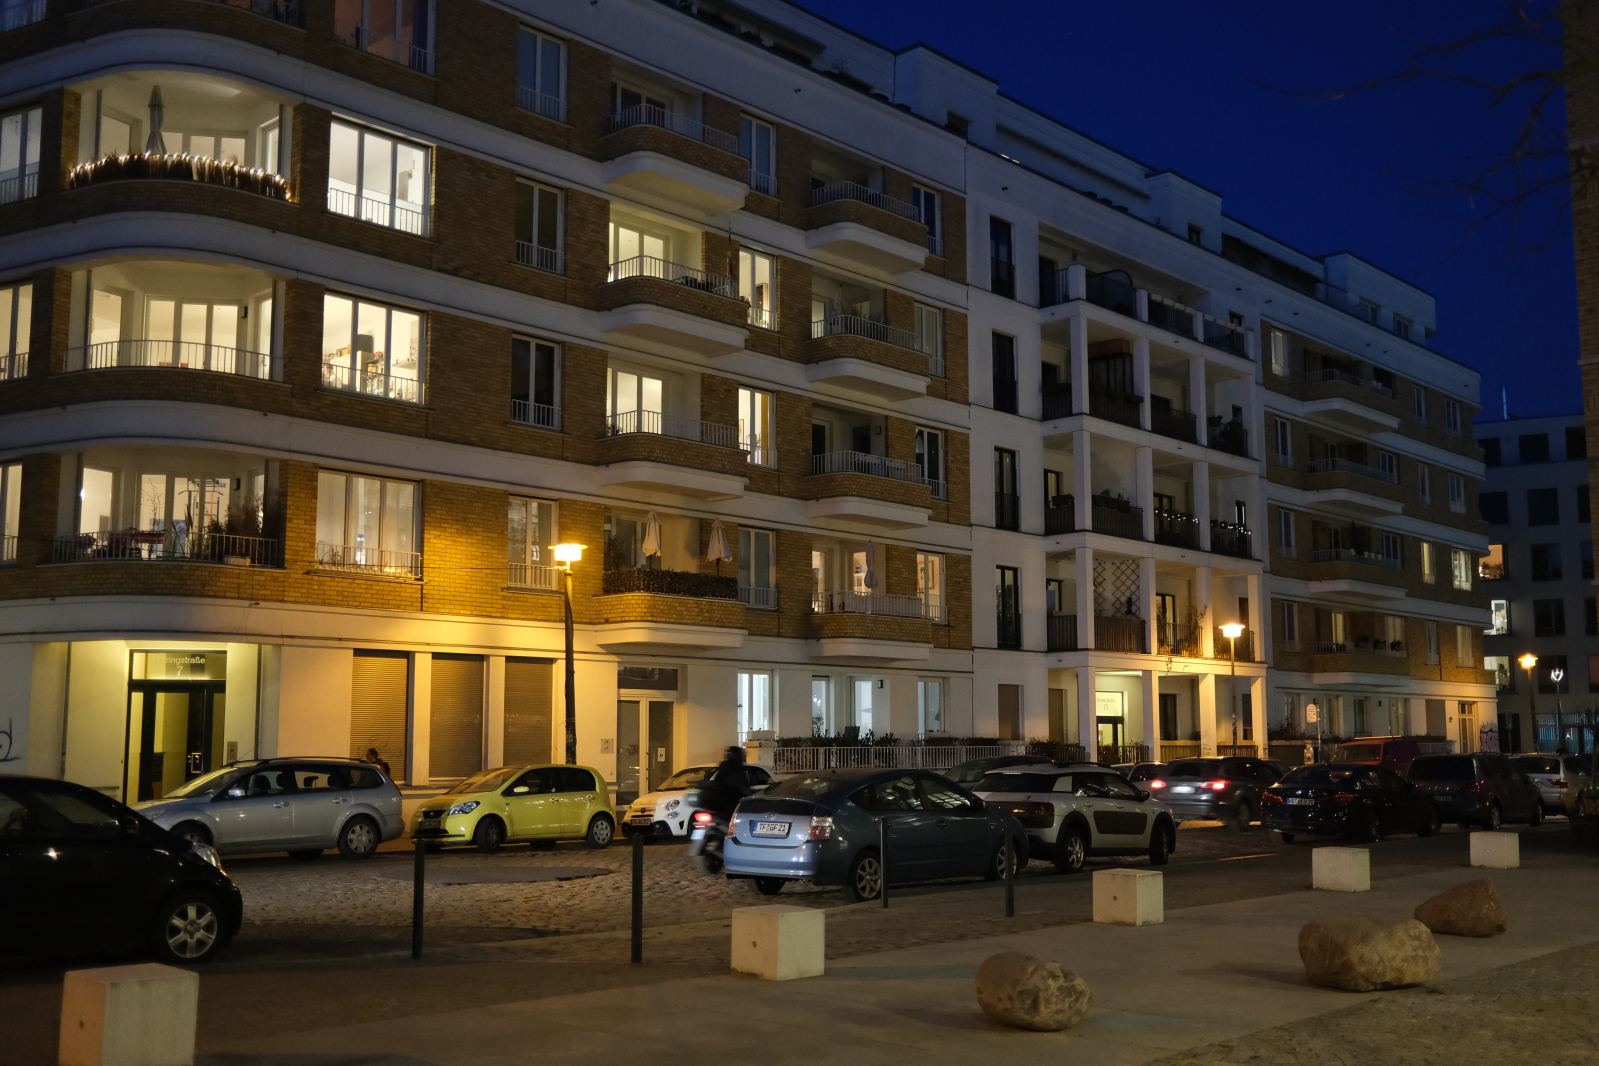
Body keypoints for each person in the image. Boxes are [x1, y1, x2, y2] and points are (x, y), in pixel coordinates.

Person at [696, 745, 752, 820]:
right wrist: (751, 796)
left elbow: (717, 781)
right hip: (729, 806)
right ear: (739, 756)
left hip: (719, 805)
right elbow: (744, 788)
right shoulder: (737, 769)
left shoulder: (724, 766)